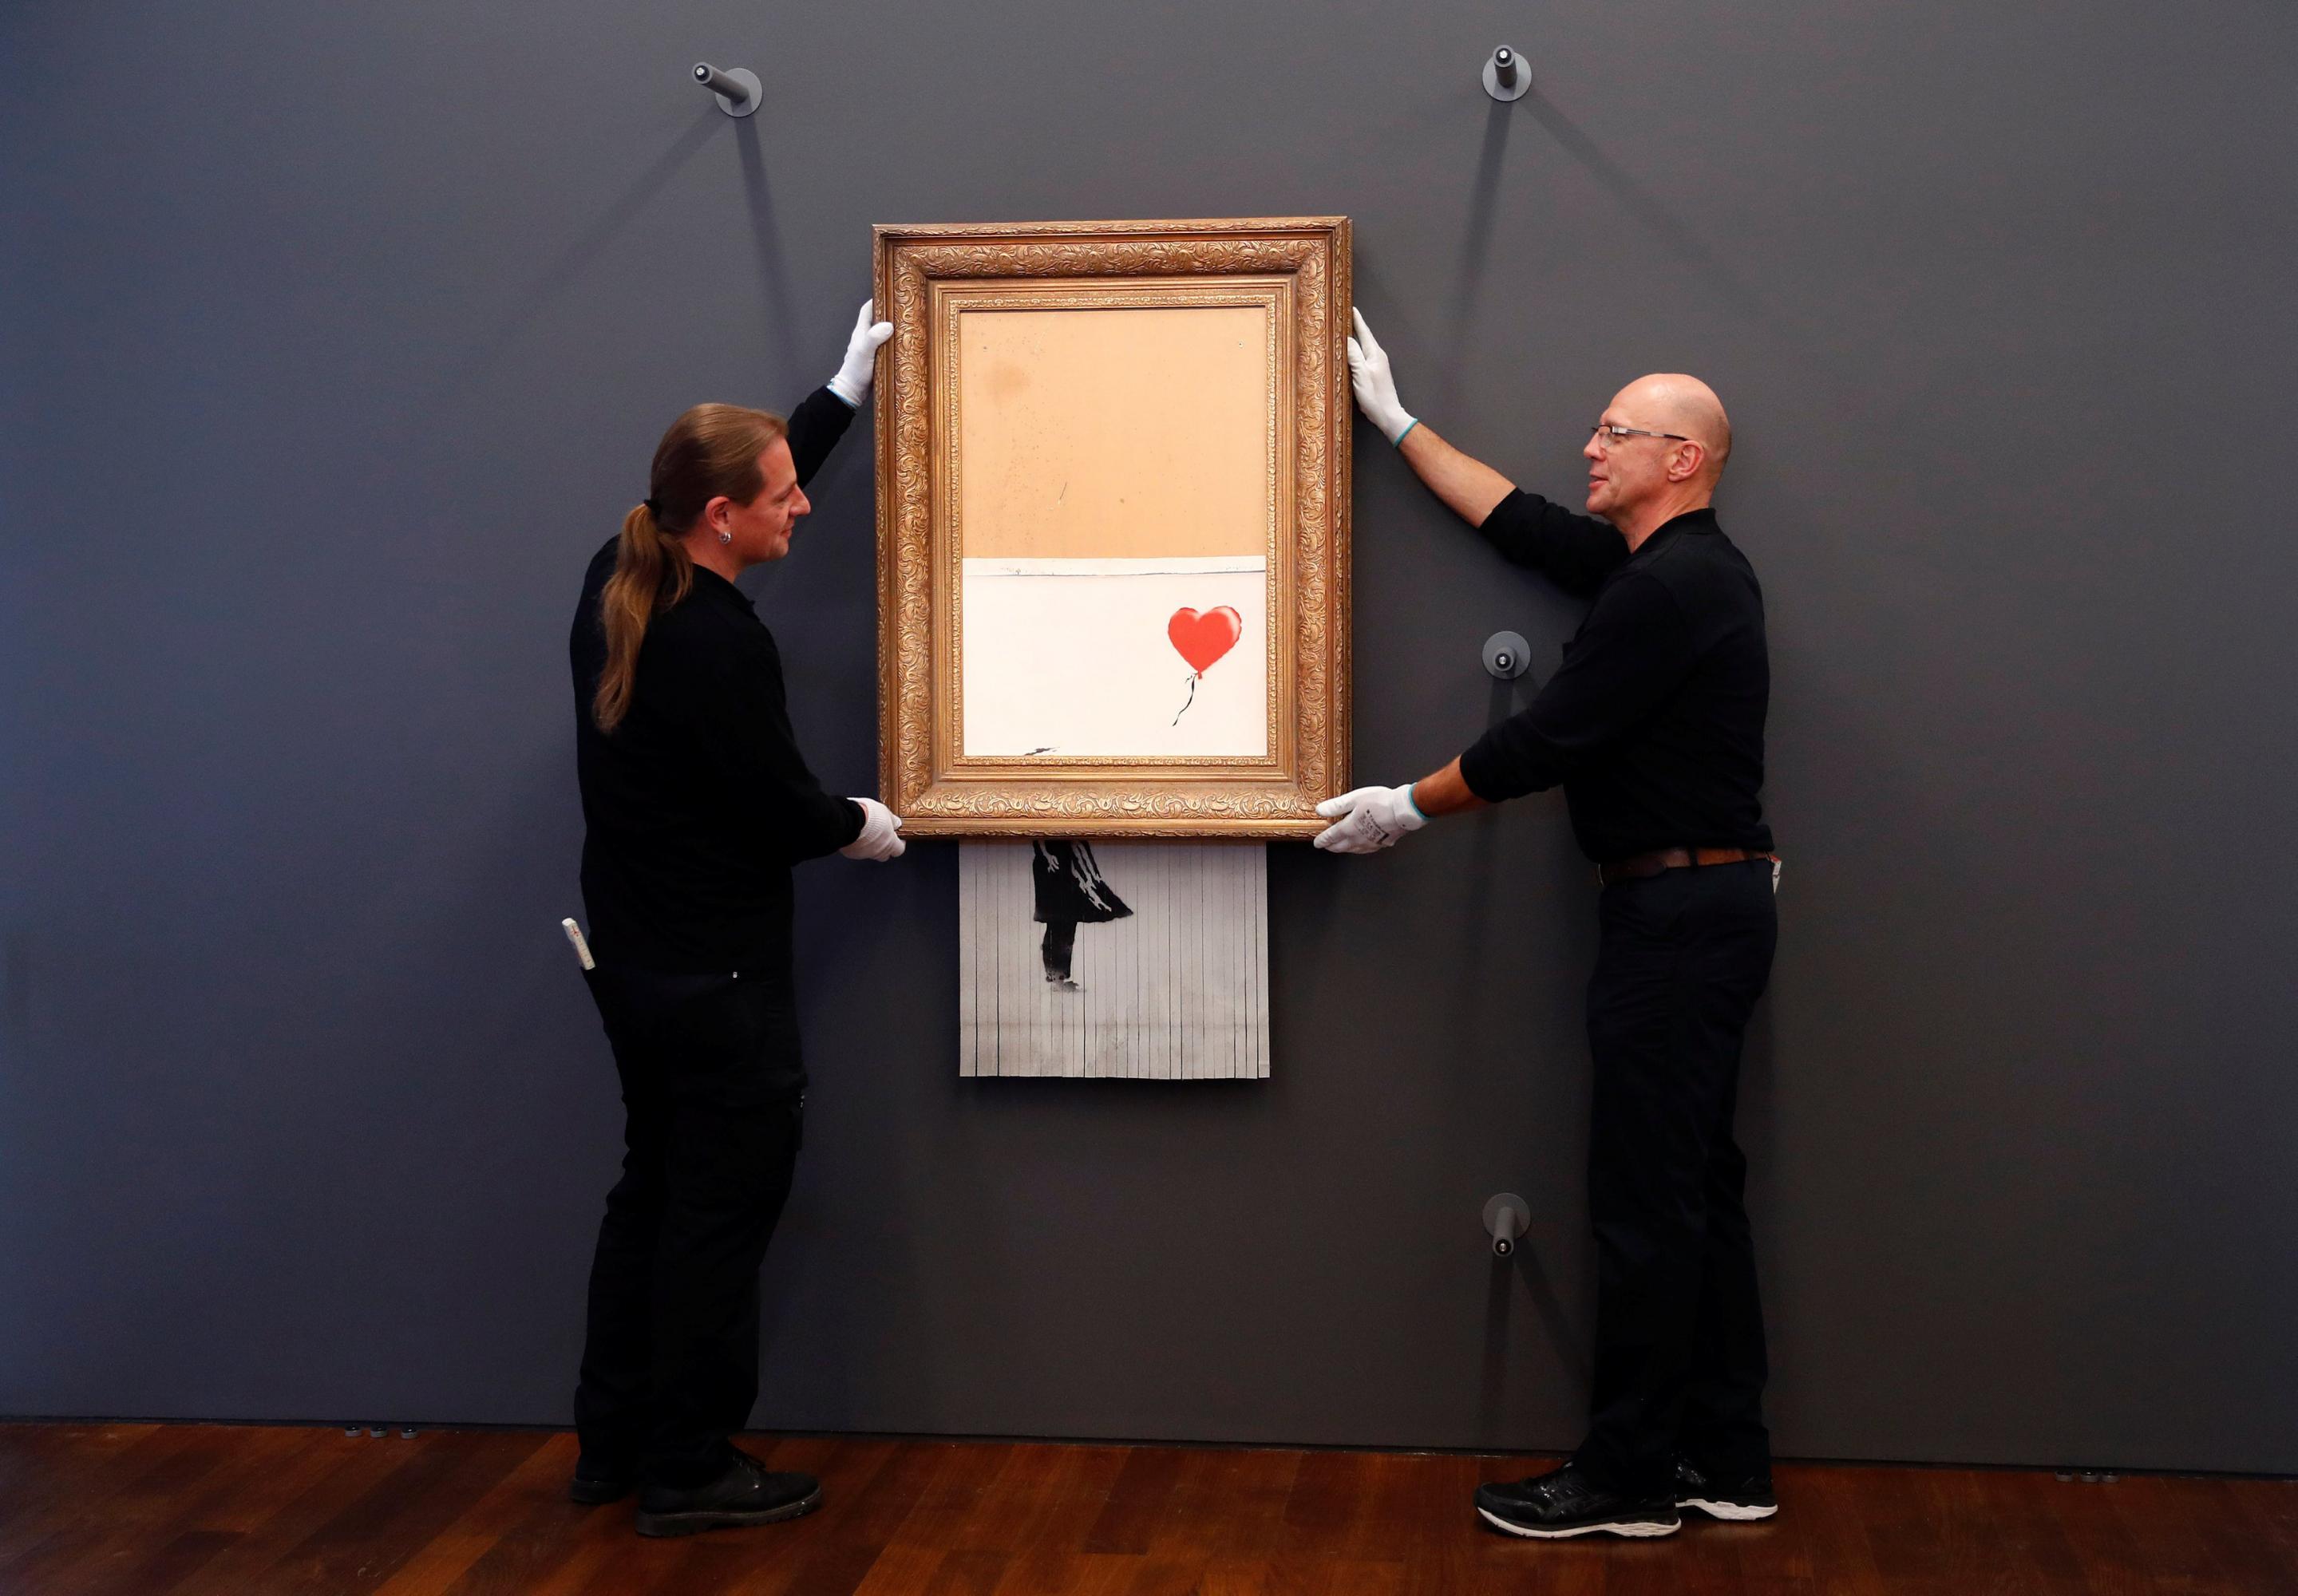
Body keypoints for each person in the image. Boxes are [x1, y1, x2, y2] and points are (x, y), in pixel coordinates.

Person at [1323, 310, 1779, 1540]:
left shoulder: (1670, 590)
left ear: (1679, 458)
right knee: (1692, 1193)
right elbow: (1517, 520)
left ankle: (1629, 1480)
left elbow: (1542, 741)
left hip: (1676, 917)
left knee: (1645, 1202)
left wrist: (1401, 809)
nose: (1589, 447)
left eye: (1614, 434)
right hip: (1702, 905)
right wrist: (1395, 421)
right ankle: (1723, 1457)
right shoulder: (1663, 571)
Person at [564, 302, 904, 1538]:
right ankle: (688, 1466)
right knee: (716, 1217)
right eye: (781, 498)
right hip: (716, 985)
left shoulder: (621, 576)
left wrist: (836, 393)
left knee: (652, 1192)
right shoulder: (713, 645)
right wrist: (858, 825)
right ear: (722, 520)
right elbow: (776, 804)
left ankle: (611, 1446)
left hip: (636, 969)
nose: (800, 507)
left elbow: (749, 478)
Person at [1030, 840, 1132, 987]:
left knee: (1067, 923)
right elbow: (1036, 832)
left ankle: (1058, 975)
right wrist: (1046, 855)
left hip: (1067, 865)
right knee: (1059, 923)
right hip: (1052, 867)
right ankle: (1056, 977)